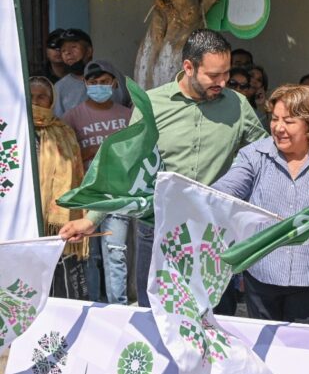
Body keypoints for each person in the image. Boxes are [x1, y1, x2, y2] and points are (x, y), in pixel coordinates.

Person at [60, 29, 267, 309]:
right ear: (189, 67)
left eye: (226, 73)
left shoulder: (237, 105)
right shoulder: (152, 105)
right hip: (157, 227)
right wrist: (91, 220)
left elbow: (265, 153)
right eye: (213, 75)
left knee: (214, 314)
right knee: (155, 314)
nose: (223, 82)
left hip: (211, 232)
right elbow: (126, 168)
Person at [212, 85, 309, 324]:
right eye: (275, 119)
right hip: (262, 274)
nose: (279, 128)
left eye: (289, 121)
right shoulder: (253, 156)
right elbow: (225, 192)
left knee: (304, 350)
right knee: (262, 349)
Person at [62, 61, 133, 305]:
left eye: (104, 82)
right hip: (89, 193)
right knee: (90, 255)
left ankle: (118, 307)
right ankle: (92, 304)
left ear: (114, 83)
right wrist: (91, 151)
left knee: (116, 252)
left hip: (119, 194)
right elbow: (66, 157)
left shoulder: (128, 116)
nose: (98, 86)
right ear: (85, 84)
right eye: (93, 83)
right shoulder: (72, 116)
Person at [29, 76, 90, 300]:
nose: (35, 101)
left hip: (57, 220)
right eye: (31, 96)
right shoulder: (13, 132)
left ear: (52, 100)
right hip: (25, 215)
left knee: (58, 275)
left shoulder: (63, 131)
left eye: (41, 97)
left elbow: (75, 174)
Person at [51, 29, 129, 117]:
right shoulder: (59, 88)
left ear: (89, 51)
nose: (67, 53)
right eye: (63, 50)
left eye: (73, 47)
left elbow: (131, 107)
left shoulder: (112, 74)